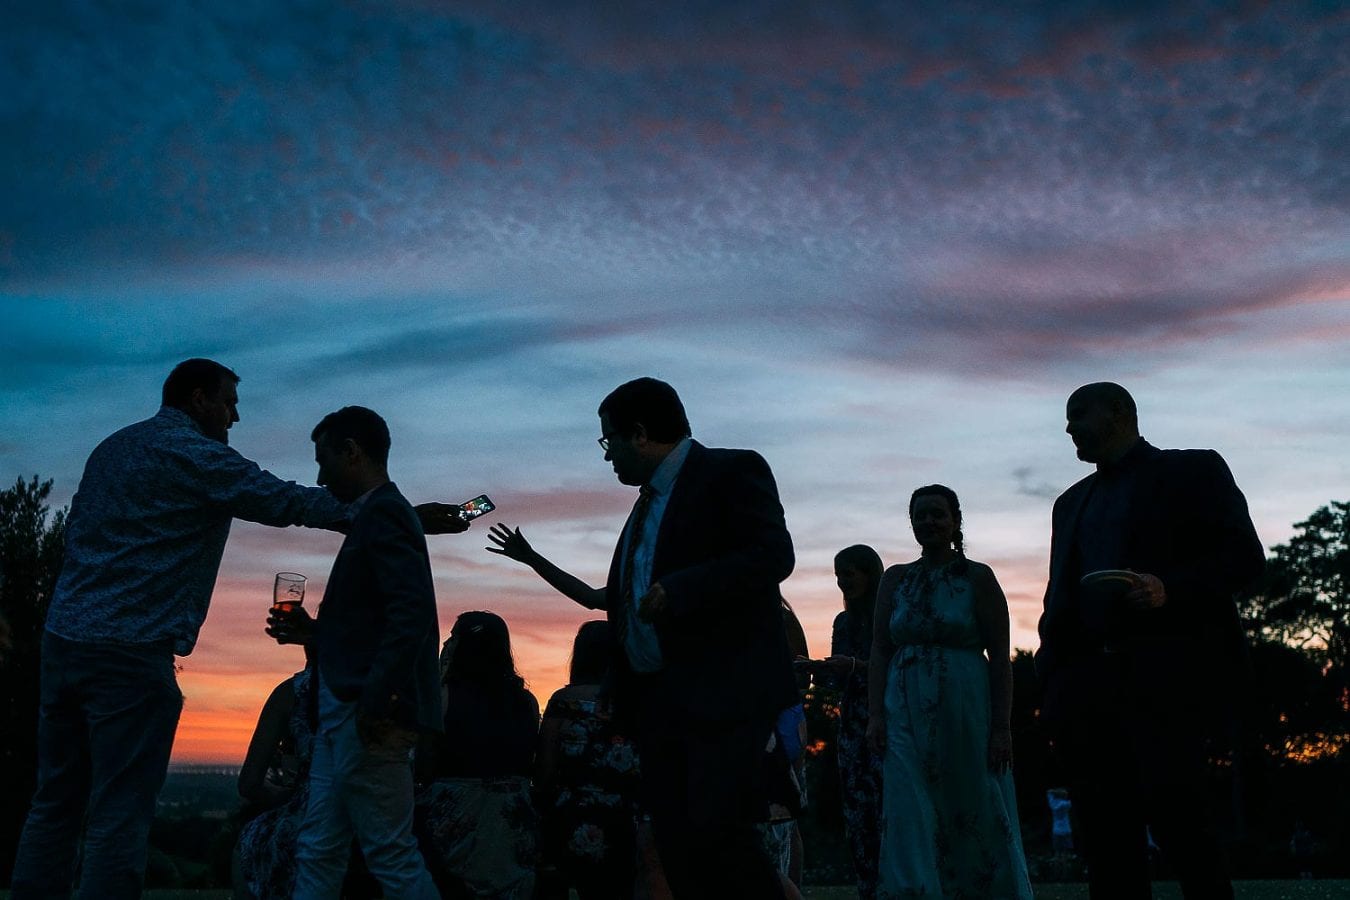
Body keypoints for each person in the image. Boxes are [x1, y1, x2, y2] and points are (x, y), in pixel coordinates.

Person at [11, 360, 466, 900]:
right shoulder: (196, 454)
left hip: (63, 642)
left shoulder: (111, 448)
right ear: (199, 399)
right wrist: (397, 514)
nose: (235, 416)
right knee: (119, 813)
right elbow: (284, 500)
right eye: (228, 402)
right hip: (130, 656)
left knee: (54, 803)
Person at [487, 377, 797, 898]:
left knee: (719, 835)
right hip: (659, 703)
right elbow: (608, 598)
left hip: (721, 696)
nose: (607, 458)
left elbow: (772, 556)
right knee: (677, 843)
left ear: (640, 434)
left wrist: (681, 589)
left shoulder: (731, 470)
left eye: (609, 442)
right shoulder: (646, 505)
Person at [1036, 382, 1265, 899]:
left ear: (1120, 412)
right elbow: (1058, 602)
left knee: (1185, 831)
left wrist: (1170, 588)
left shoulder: (1194, 471)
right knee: (1107, 848)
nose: (1068, 426)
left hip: (1170, 687)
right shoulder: (1069, 503)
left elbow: (1246, 558)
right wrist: (1051, 685)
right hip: (1087, 696)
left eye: (1078, 413)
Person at [267, 405, 445, 899]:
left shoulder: (386, 513)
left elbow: (408, 616)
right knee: (319, 846)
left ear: (352, 451)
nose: (320, 477)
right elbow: (370, 625)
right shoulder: (375, 516)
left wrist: (375, 700)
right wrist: (314, 634)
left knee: (390, 852)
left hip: (364, 715)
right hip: (341, 712)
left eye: (324, 460)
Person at [866, 484, 1033, 898]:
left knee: (971, 797)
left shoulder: (977, 577)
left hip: (964, 705)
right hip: (902, 705)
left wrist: (1001, 727)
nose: (928, 522)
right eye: (920, 515)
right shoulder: (895, 579)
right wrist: (874, 715)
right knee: (908, 803)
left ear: (956, 520)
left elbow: (999, 654)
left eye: (937, 514)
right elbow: (880, 649)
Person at [416, 610, 540, 899]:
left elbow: (423, 766)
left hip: (457, 820)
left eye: (452, 637)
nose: (446, 644)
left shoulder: (442, 696)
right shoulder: (527, 702)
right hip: (511, 824)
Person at [535, 620, 641, 900]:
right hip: (626, 816)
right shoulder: (638, 702)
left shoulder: (563, 701)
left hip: (570, 814)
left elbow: (545, 767)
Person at [816, 544, 885, 899]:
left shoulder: (887, 617)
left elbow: (895, 670)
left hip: (887, 724)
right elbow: (834, 684)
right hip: (852, 729)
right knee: (859, 816)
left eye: (849, 573)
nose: (843, 581)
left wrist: (855, 667)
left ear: (869, 574)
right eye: (838, 575)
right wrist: (815, 670)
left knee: (889, 809)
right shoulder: (843, 622)